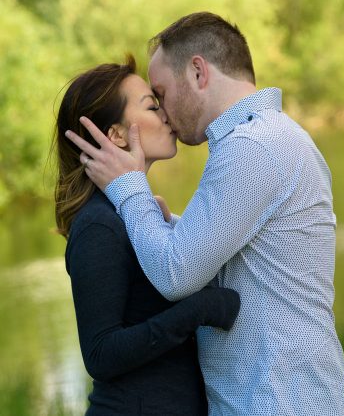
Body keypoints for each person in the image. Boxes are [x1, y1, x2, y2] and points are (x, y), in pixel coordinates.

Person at [64, 12, 344, 413]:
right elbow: (247, 253)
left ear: (199, 72)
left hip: (277, 399)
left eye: (161, 93)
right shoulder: (269, 138)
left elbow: (176, 273)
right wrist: (170, 225)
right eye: (154, 102)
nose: (164, 110)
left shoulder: (253, 147)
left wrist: (130, 190)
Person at [55, 55, 241, 414]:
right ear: (116, 135)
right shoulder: (98, 224)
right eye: (152, 107)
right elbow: (100, 354)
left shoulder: (139, 214)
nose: (167, 115)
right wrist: (199, 310)